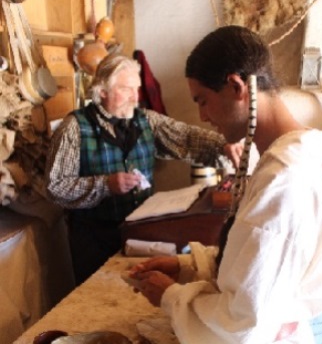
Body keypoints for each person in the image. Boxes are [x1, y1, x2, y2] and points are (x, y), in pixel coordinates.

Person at [129, 25, 322, 343]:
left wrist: (171, 296)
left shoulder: (284, 177)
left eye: (203, 100)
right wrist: (187, 266)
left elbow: (243, 323)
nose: (202, 116)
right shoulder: (314, 148)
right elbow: (258, 268)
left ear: (236, 86)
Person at [45, 52, 240, 285]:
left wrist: (224, 146)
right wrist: (105, 185)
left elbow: (186, 137)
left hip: (142, 235)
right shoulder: (74, 128)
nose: (134, 97)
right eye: (126, 89)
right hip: (93, 241)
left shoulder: (146, 120)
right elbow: (55, 188)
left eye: (136, 89)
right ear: (102, 91)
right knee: (98, 300)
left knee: (139, 294)